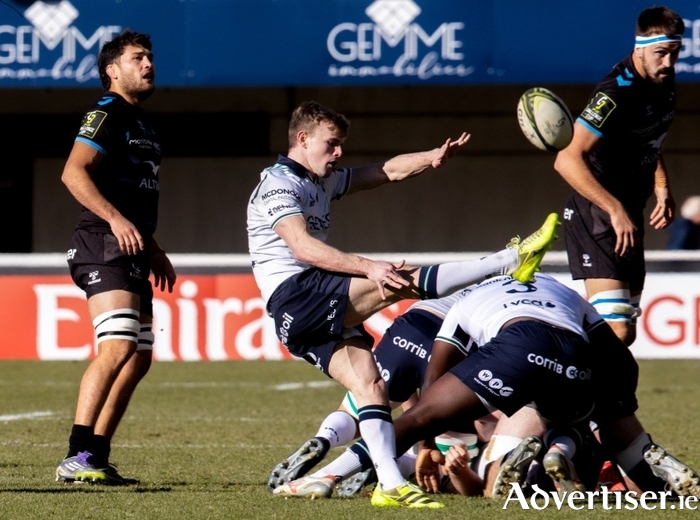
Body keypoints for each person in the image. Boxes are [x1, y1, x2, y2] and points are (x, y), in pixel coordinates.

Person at [247, 99, 559, 508]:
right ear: (302, 139)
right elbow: (302, 247)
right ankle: (507, 261)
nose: (339, 153)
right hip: (298, 294)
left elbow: (385, 171)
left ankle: (390, 485)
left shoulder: (320, 180)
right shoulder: (279, 184)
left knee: (372, 386)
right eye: (332, 143)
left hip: (306, 306)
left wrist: (430, 158)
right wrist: (367, 268)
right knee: (396, 280)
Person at [55, 29, 176, 485]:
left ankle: (95, 456)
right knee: (118, 346)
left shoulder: (140, 121)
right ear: (113, 70)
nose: (148, 63)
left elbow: (136, 195)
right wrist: (117, 221)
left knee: (140, 356)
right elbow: (72, 173)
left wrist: (154, 248)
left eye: (150, 56)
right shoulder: (105, 112)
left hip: (132, 247)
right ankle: (76, 452)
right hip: (102, 244)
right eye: (137, 57)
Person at [553, 6, 684, 346]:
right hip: (596, 214)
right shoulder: (616, 91)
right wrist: (614, 209)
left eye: (674, 53)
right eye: (661, 53)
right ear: (640, 46)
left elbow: (648, 138)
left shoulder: (662, 83)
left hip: (628, 210)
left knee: (623, 333)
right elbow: (566, 159)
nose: (668, 63)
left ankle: (590, 395)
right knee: (616, 329)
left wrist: (661, 186)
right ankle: (546, 378)